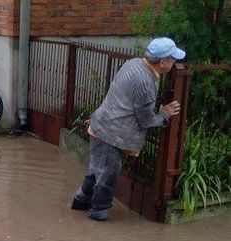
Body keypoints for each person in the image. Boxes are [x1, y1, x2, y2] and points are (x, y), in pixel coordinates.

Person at [71, 37, 185, 221]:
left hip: (100, 126)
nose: (175, 62)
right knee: (107, 177)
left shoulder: (133, 64)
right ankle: (97, 217)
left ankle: (80, 202)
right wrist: (163, 115)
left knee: (97, 170)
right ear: (163, 62)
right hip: (111, 135)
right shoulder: (146, 82)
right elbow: (146, 120)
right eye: (173, 59)